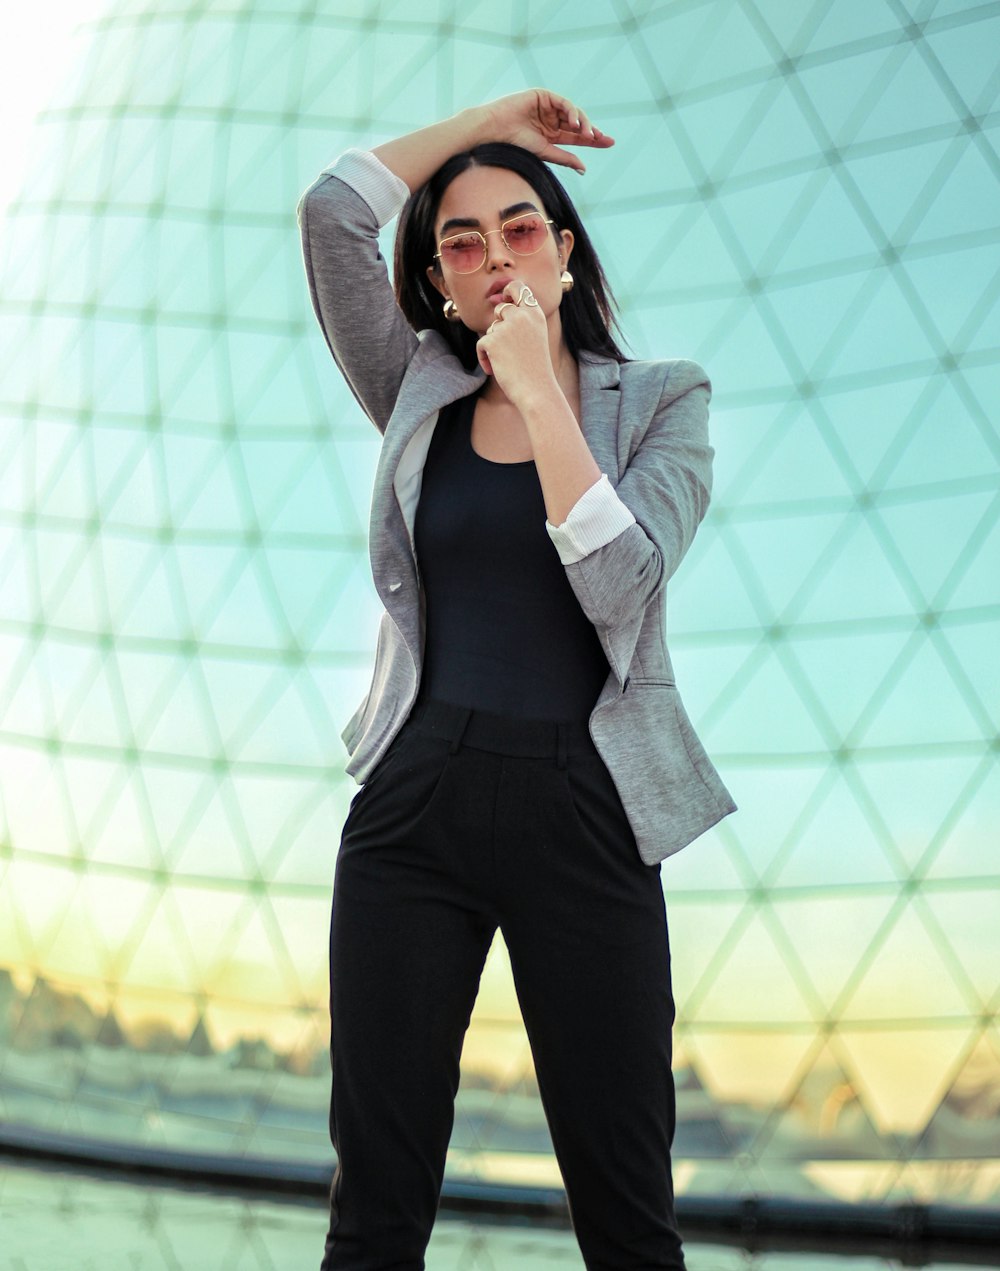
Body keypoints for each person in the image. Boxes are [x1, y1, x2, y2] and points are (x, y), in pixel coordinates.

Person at [297, 88, 736, 1271]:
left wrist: (541, 389)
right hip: (414, 806)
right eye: (462, 238)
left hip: (589, 813)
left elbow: (624, 590)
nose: (495, 257)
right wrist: (492, 124)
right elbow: (331, 214)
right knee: (375, 1207)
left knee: (627, 1215)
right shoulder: (416, 392)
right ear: (437, 276)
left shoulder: (664, 402)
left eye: (522, 226)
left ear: (567, 247)